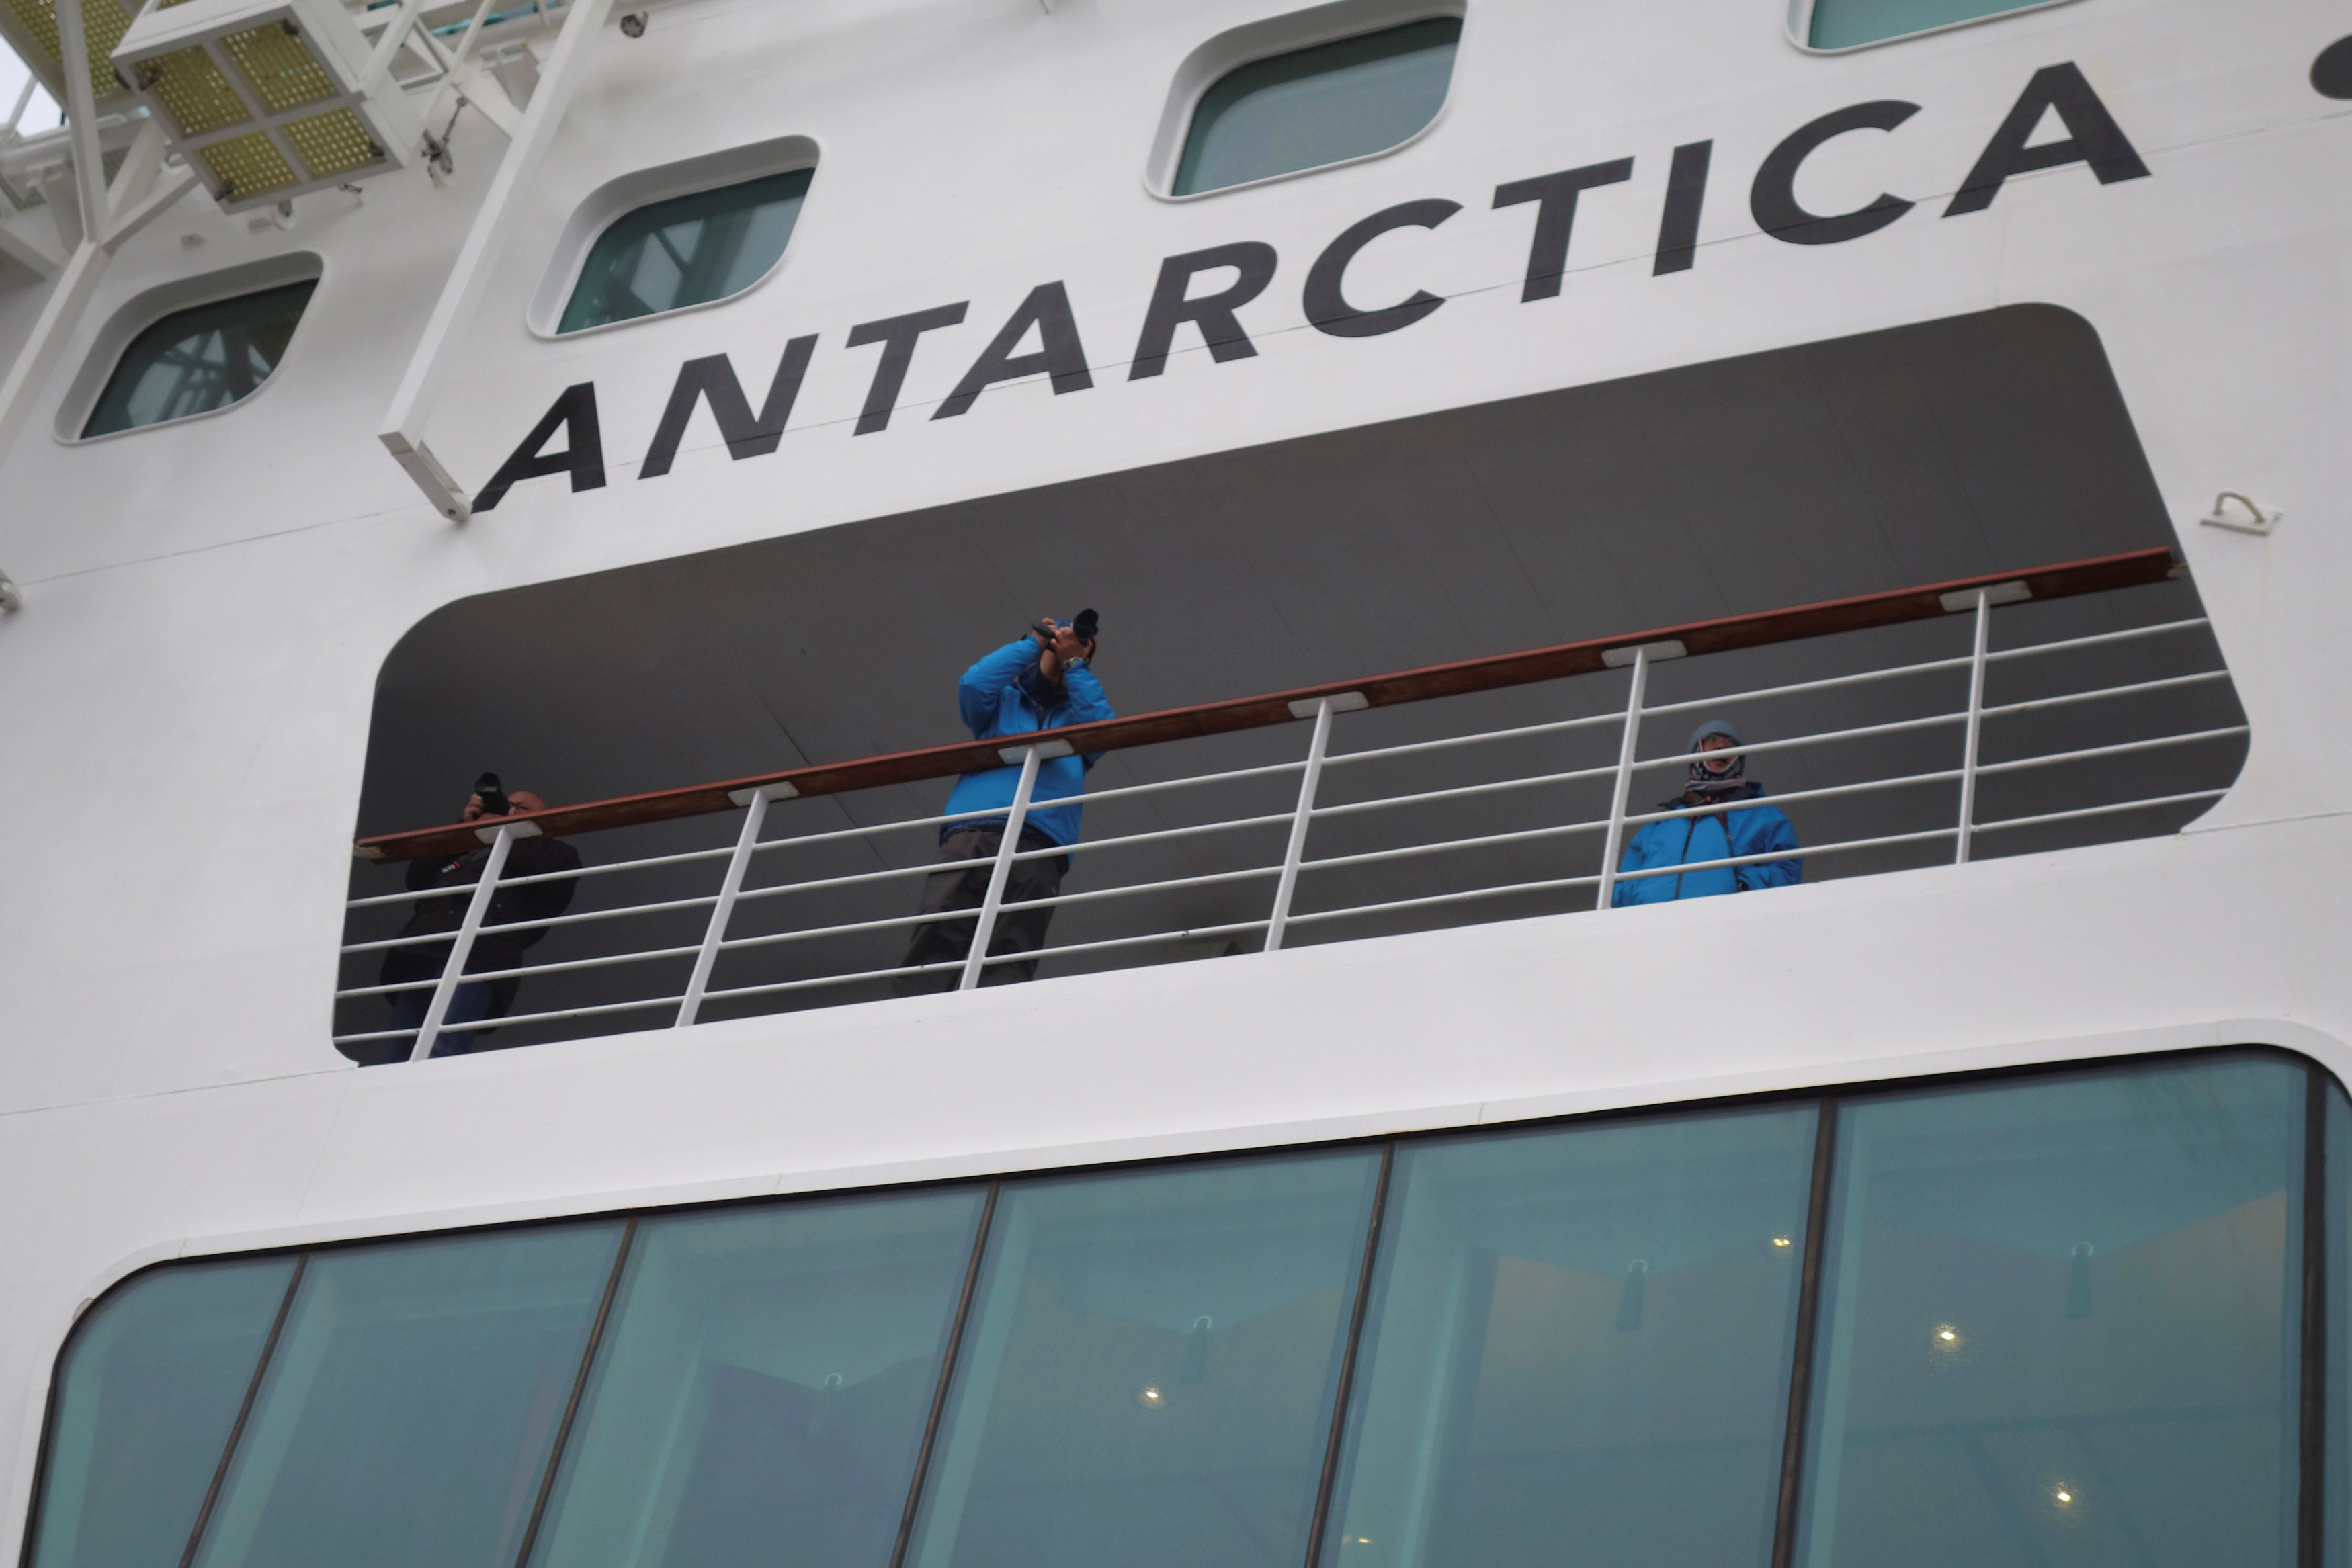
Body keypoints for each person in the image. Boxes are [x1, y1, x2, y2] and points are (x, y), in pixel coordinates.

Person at [895, 613, 1114, 993]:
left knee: (1013, 944)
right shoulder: (1003, 703)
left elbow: (1103, 731)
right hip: (974, 829)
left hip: (1041, 841)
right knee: (942, 924)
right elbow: (974, 684)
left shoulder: (1078, 716)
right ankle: (917, 1010)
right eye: (1056, 647)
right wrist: (1033, 642)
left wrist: (1075, 665)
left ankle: (996, 1017)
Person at [379, 782, 582, 1060]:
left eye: (521, 808)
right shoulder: (470, 855)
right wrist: (465, 828)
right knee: (397, 1055)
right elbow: (417, 878)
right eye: (508, 805)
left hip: (481, 959)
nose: (510, 810)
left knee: (443, 1048)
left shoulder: (556, 854)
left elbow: (551, 878)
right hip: (423, 955)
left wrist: (504, 829)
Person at [1611, 718, 1801, 905]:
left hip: (1725, 919)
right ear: (1696, 750)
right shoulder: (1660, 824)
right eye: (1712, 740)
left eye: (1731, 743)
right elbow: (1624, 883)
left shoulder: (1762, 815)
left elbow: (1786, 870)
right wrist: (1641, 897)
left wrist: (1742, 886)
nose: (1721, 747)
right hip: (1656, 921)